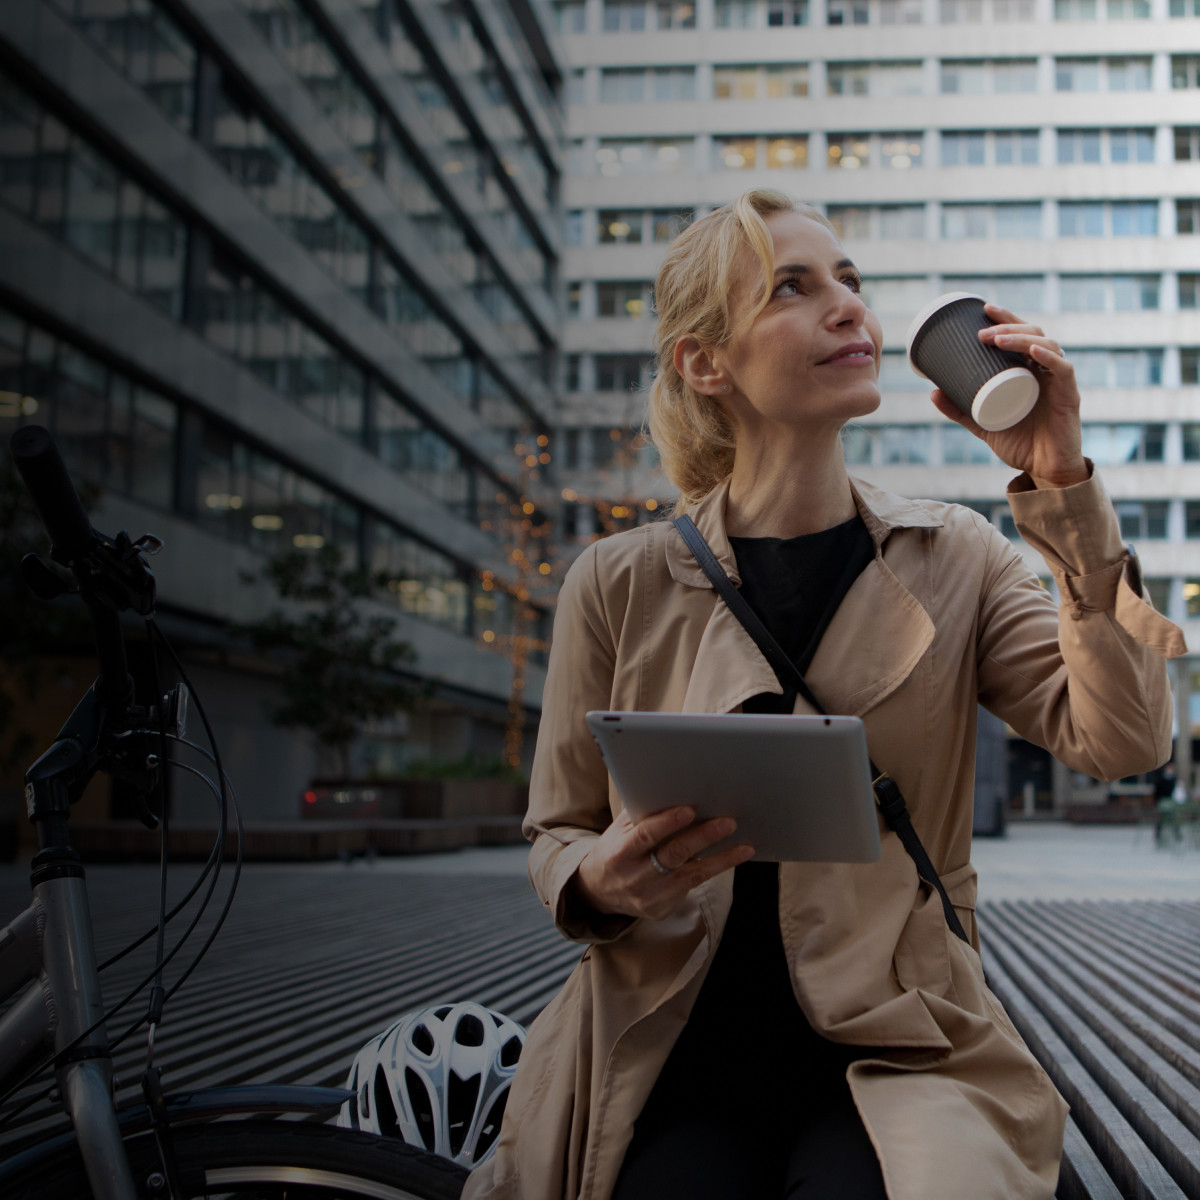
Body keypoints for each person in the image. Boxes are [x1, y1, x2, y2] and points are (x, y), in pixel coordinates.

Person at [461, 189, 1184, 1200]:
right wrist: (600, 884)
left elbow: (1127, 739)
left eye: (851, 283)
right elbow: (556, 832)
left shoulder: (958, 556)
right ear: (705, 363)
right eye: (794, 288)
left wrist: (1062, 483)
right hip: (668, 1049)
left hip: (900, 1046)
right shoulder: (616, 581)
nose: (850, 308)